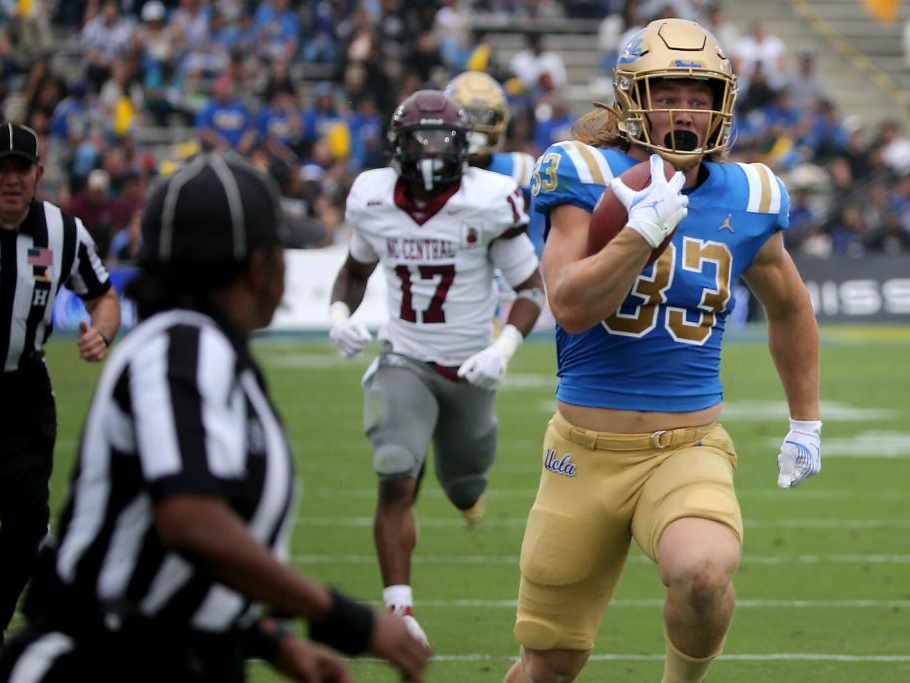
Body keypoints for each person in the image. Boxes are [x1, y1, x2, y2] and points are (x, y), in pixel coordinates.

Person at [0, 150, 430, 683]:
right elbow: (191, 521)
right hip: (99, 660)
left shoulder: (212, 353)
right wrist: (346, 620)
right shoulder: (181, 347)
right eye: (280, 248)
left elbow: (174, 563)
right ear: (257, 264)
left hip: (174, 657)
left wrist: (272, 641)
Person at [504, 18, 821, 683]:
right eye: (669, 92)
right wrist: (637, 229)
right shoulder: (585, 173)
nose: (687, 108)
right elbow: (568, 305)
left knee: (704, 573)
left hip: (687, 446)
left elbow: (789, 305)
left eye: (701, 94)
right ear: (633, 101)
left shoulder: (750, 195)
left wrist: (806, 420)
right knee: (548, 666)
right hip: (582, 454)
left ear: (722, 103)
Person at [328, 90, 545, 649]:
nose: (429, 151)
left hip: (471, 367)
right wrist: (337, 314)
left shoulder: (489, 199)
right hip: (405, 355)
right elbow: (355, 270)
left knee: (463, 480)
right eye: (418, 139)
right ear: (396, 147)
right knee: (396, 471)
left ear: (463, 145)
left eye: (441, 138)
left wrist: (502, 349)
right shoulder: (373, 198)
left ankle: (467, 495)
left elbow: (529, 288)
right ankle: (399, 609)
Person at [0, 122, 121, 659]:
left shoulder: (63, 232)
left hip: (24, 389)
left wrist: (102, 333)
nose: (11, 180)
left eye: (21, 169)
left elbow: (104, 295)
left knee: (28, 518)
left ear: (38, 175)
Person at [444, 71, 542, 253]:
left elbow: (533, 235)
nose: (477, 126)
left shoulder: (521, 167)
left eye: (486, 117)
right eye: (468, 116)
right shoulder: (437, 170)